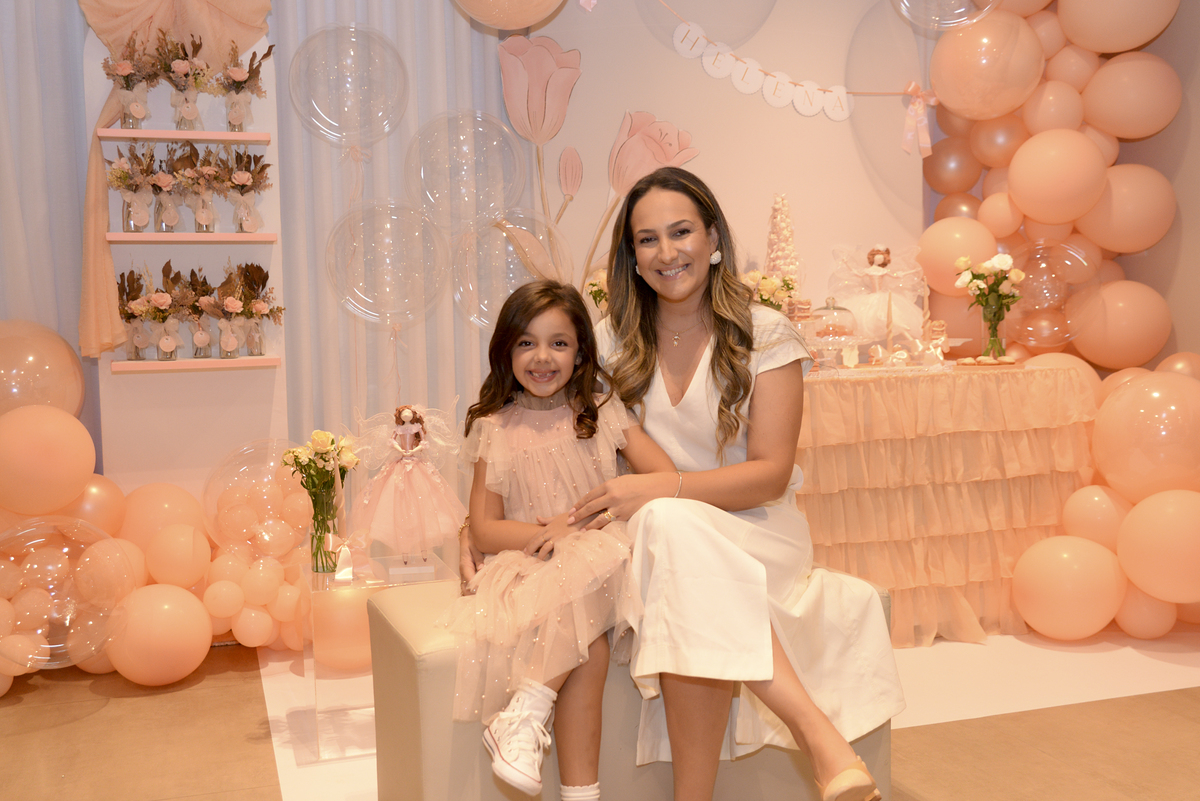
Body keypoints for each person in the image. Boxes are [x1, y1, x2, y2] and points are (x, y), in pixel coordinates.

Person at [567, 167, 904, 801]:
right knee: (670, 534)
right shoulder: (610, 341)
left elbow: (770, 474)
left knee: (670, 528)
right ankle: (822, 743)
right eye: (647, 239)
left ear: (714, 238)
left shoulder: (764, 332)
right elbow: (542, 432)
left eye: (681, 232)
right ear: (631, 256)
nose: (666, 252)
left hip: (758, 531)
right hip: (651, 538)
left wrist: (660, 491)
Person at [442, 280, 675, 800]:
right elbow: (485, 528)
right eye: (526, 342)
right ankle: (568, 776)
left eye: (559, 343)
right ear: (506, 351)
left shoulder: (602, 412)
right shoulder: (495, 427)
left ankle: (526, 715)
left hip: (601, 560)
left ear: (581, 353)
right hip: (531, 567)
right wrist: (555, 536)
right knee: (588, 646)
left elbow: (664, 477)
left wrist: (585, 525)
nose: (542, 357)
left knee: (593, 575)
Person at [353, 404, 466, 561]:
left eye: (409, 413)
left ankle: (423, 550)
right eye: (403, 413)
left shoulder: (416, 428)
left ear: (414, 415)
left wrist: (413, 451)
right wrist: (401, 450)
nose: (406, 416)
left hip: (414, 462)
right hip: (401, 462)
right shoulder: (398, 429)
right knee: (399, 503)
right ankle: (404, 552)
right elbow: (392, 441)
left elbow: (423, 443)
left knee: (422, 502)